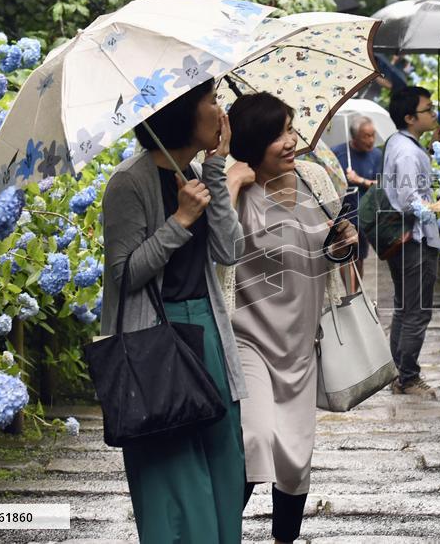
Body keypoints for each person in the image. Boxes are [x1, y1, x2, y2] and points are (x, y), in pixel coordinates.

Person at [100, 77, 251, 543]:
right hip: (157, 344)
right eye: (210, 100)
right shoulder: (128, 183)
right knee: (177, 483)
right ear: (181, 113)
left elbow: (229, 251)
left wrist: (217, 172)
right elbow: (125, 275)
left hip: (207, 331)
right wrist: (180, 221)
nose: (219, 108)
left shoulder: (195, 174)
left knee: (225, 467)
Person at [226, 91, 358, 544]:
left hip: (302, 341)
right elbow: (214, 249)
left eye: (291, 129)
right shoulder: (236, 193)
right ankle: (218, 532)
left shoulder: (314, 181)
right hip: (248, 339)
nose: (291, 141)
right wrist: (230, 183)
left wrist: (345, 243)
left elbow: (333, 249)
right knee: (256, 439)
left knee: (296, 459)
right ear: (251, 143)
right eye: (278, 134)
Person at [381, 86, 440, 398]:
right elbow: (409, 200)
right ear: (410, 117)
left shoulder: (401, 144)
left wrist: (433, 149)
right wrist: (437, 207)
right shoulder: (408, 151)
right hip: (415, 241)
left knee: (404, 307)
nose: (434, 113)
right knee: (416, 311)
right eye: (428, 109)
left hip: (405, 240)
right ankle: (407, 378)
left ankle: (398, 373)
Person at [332, 114, 383, 291]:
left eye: (372, 135)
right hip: (344, 214)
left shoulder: (377, 155)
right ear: (354, 137)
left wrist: (359, 180)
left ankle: (356, 293)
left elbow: (383, 184)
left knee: (359, 258)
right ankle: (350, 294)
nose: (371, 140)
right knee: (346, 256)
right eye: (366, 136)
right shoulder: (337, 153)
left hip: (365, 216)